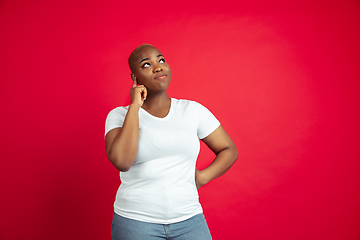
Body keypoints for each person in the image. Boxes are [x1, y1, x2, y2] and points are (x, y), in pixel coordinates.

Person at [105, 44, 238, 240]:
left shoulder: (192, 111)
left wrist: (202, 177)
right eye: (146, 64)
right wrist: (134, 106)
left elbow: (229, 149)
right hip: (136, 222)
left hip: (189, 219)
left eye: (161, 60)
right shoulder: (119, 116)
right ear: (135, 78)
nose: (158, 67)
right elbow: (122, 162)